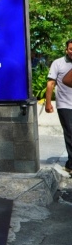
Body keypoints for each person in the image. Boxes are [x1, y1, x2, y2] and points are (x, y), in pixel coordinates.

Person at [45, 40, 72, 173]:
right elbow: (50, 84)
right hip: (65, 104)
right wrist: (48, 103)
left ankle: (70, 162)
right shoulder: (58, 63)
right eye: (71, 49)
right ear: (66, 49)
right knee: (70, 133)